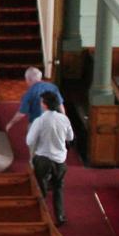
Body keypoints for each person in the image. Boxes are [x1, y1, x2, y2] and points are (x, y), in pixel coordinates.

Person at [26, 90, 75, 225]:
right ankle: (59, 217)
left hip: (43, 159)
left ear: (44, 104)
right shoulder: (64, 119)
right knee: (58, 187)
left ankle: (41, 216)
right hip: (59, 160)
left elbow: (30, 141)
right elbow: (70, 137)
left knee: (40, 189)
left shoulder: (40, 121)